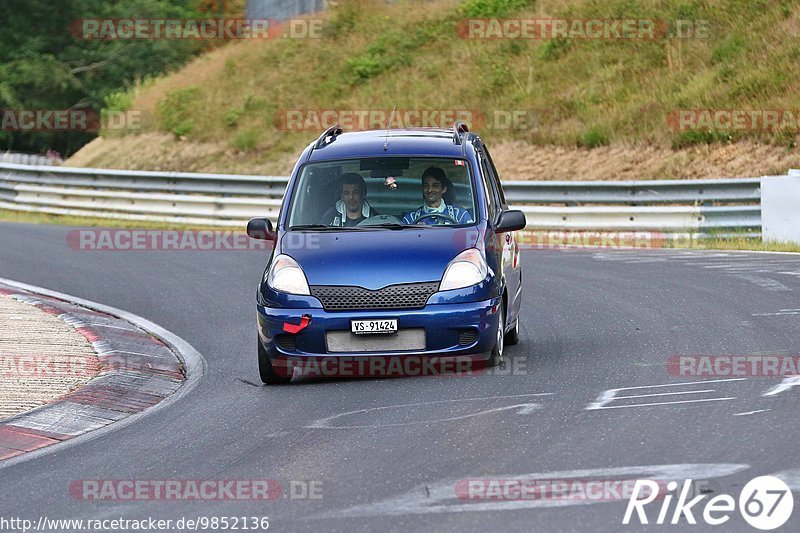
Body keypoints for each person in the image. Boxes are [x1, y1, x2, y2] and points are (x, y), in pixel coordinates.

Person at [402, 166, 473, 225]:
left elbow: (471, 238)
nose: (430, 190)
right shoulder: (410, 219)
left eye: (435, 186)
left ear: (444, 189)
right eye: (426, 186)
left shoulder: (460, 215)